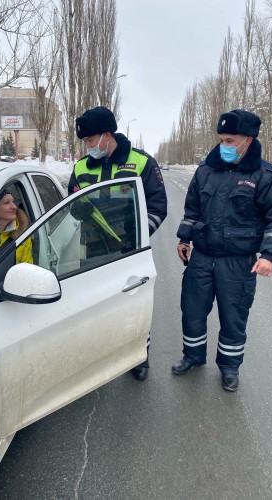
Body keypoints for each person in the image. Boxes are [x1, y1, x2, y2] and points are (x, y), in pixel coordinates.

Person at [171, 109, 272, 392]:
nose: (224, 146)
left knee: (233, 316)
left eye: (230, 140)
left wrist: (268, 256)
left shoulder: (267, 176)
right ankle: (192, 356)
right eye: (222, 140)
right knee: (192, 310)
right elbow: (192, 209)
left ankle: (229, 367)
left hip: (237, 263)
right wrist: (184, 239)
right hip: (201, 258)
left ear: (248, 140)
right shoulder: (205, 171)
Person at [69, 106, 168, 381]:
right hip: (91, 249)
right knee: (94, 306)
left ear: (107, 135)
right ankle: (99, 356)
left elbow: (158, 207)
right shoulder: (80, 167)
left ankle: (138, 356)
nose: (89, 147)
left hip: (129, 252)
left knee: (134, 305)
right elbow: (72, 206)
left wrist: (136, 237)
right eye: (86, 142)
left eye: (91, 141)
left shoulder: (141, 163)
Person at [0, 188, 33, 274]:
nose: (14, 206)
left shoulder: (23, 236)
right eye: (7, 203)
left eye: (13, 202)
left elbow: (28, 272)